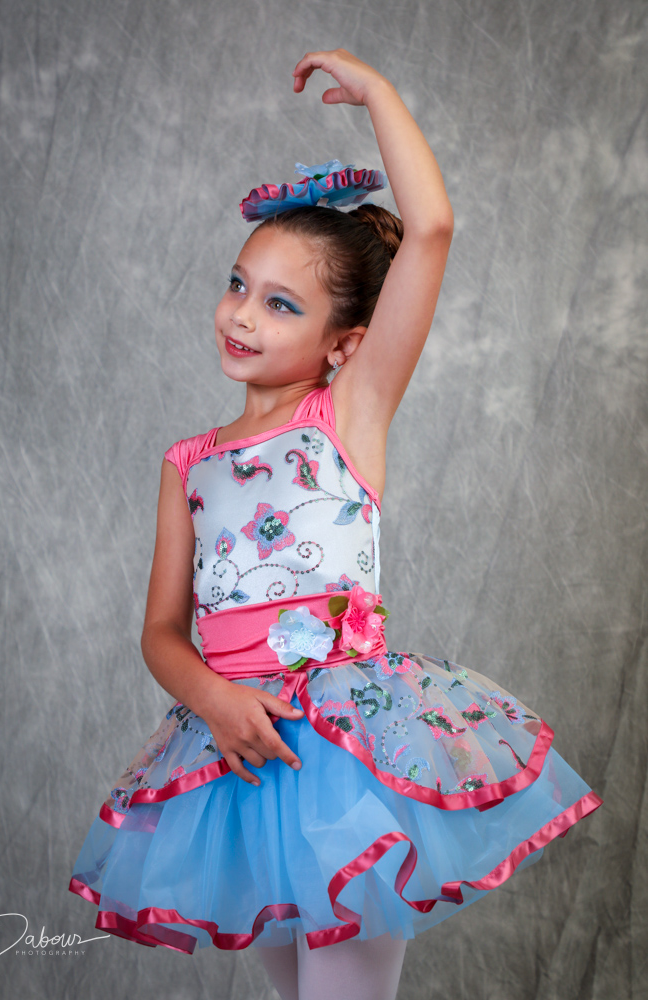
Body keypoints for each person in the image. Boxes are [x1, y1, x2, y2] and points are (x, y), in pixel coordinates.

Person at [69, 49, 603, 1000]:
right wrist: (214, 700)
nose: (242, 316)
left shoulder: (348, 415)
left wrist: (381, 98)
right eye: (238, 284)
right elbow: (160, 631)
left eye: (281, 305)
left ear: (345, 343)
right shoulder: (188, 462)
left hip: (345, 759)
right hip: (239, 755)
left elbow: (431, 228)